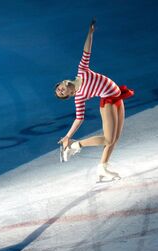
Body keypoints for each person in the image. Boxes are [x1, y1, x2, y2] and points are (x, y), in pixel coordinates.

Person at [55, 18, 134, 182]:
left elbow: (86, 51)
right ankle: (74, 146)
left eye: (59, 88)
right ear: (69, 95)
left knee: (115, 139)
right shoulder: (79, 97)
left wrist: (90, 34)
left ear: (64, 81)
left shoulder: (81, 70)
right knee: (108, 139)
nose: (61, 89)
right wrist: (68, 136)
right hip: (108, 103)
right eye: (62, 93)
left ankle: (103, 167)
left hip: (118, 97)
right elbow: (79, 119)